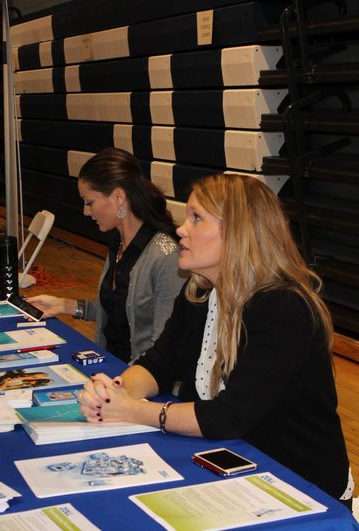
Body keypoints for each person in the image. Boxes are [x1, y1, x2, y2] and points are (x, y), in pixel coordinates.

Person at [79, 174, 353, 506]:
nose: (181, 228)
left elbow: (228, 416)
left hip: (297, 484)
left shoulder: (283, 308)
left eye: (196, 218)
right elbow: (157, 364)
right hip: (228, 462)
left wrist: (136, 411)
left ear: (237, 233)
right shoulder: (199, 292)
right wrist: (116, 393)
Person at [28, 148, 185, 364]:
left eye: (89, 202)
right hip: (112, 368)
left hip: (138, 383)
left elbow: (164, 349)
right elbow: (117, 312)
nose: (85, 211)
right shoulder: (118, 244)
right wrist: (64, 305)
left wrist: (120, 384)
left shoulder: (166, 257)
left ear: (118, 197)